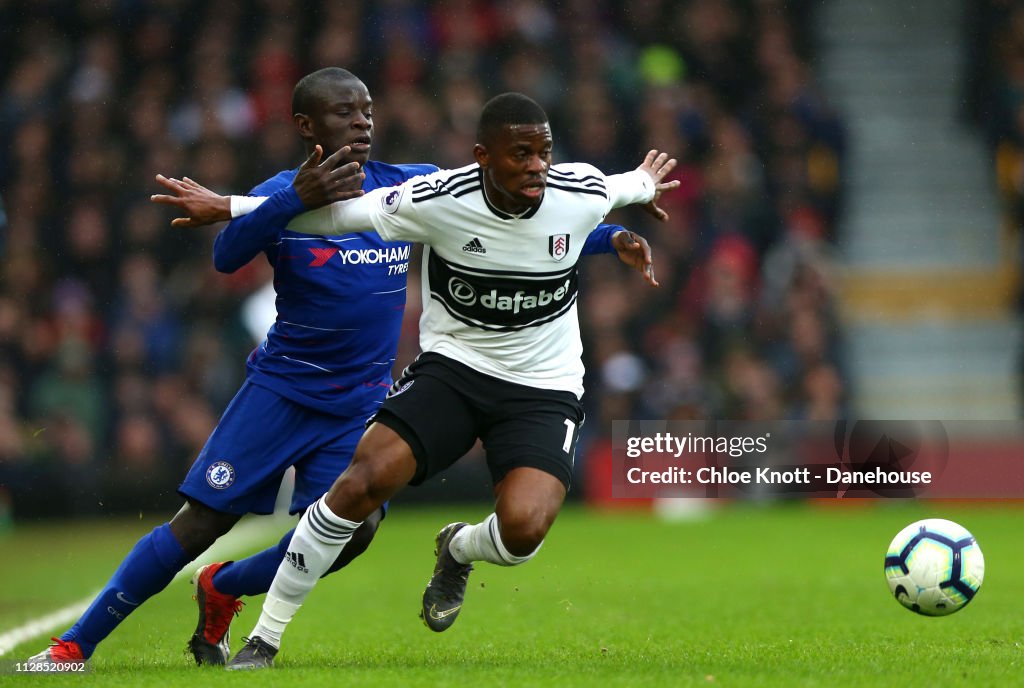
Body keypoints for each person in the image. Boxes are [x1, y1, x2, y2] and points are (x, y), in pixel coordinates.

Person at [27, 70, 653, 671]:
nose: (362, 123)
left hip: (359, 399)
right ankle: (75, 647)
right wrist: (289, 201)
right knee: (201, 524)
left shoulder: (409, 187)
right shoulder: (282, 190)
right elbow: (227, 255)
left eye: (368, 112)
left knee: (351, 534)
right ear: (305, 124)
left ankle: (223, 586)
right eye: (344, 112)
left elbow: (513, 222)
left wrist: (609, 239)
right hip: (283, 387)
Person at [216, 92, 679, 669]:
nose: (537, 165)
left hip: (544, 384)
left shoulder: (577, 190)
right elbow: (336, 216)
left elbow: (627, 185)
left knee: (523, 533)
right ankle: (265, 638)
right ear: (483, 157)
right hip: (456, 368)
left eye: (544, 152)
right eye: (521, 154)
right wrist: (234, 208)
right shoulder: (436, 199)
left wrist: (641, 192)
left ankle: (458, 547)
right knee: (362, 482)